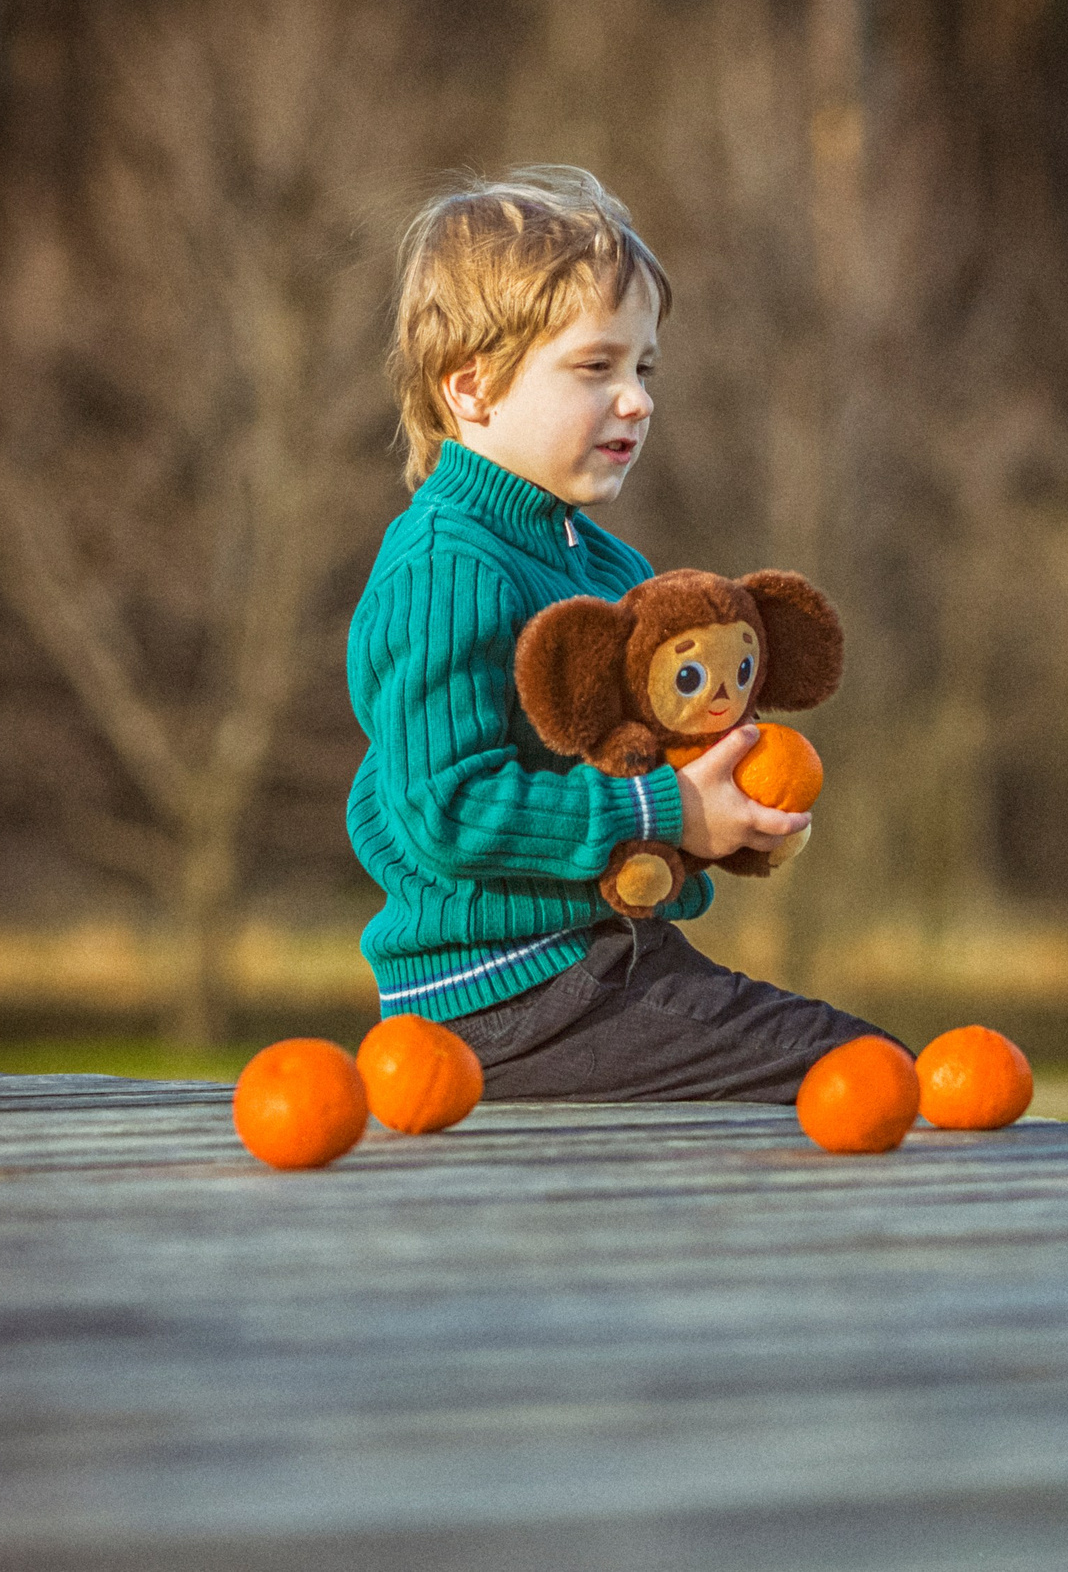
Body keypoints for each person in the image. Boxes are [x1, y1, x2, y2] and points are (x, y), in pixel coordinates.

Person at [345, 167, 891, 1101]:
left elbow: (632, 787)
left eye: (643, 368)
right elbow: (443, 807)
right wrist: (667, 813)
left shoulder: (608, 571)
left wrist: (715, 828)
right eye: (595, 368)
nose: (635, 399)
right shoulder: (447, 565)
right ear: (472, 389)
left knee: (880, 1085)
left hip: (611, 969)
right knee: (880, 1085)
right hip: (496, 1005)